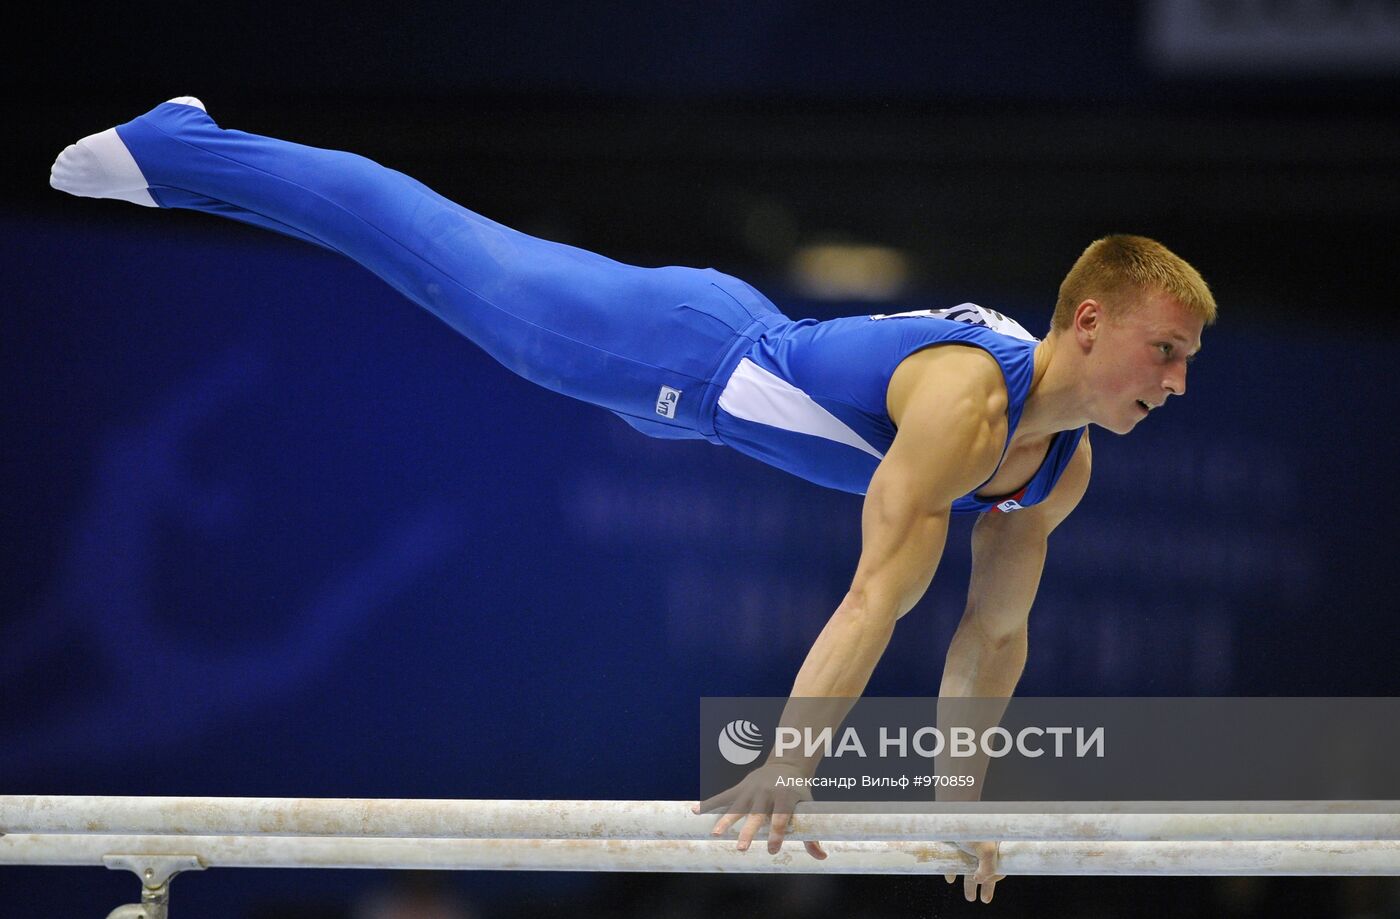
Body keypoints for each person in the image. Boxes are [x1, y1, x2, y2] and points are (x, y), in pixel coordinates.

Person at [51, 98, 1215, 905]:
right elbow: (879, 592)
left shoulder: (1057, 467)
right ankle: (181, 145)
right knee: (411, 236)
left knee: (406, 254)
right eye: (1163, 352)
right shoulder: (965, 404)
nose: (1172, 384)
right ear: (1088, 321)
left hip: (697, 403)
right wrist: (792, 761)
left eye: (1186, 365)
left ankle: (196, 154)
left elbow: (992, 631)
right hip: (671, 350)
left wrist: (960, 800)